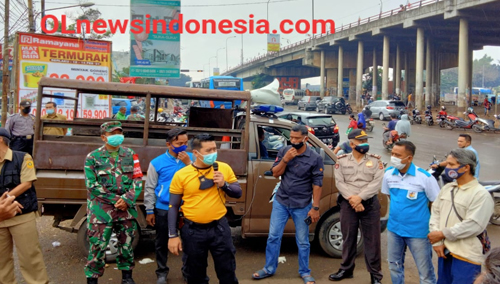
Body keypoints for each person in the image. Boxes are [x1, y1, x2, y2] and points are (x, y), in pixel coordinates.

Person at [252, 125, 324, 284]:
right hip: (281, 202)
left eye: (297, 138)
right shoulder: (284, 151)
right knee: (273, 236)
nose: (293, 141)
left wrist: (315, 208)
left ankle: (305, 272)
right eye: (291, 138)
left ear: (305, 138)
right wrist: (285, 160)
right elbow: (276, 173)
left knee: (303, 240)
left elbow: (317, 184)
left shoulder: (314, 158)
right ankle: (268, 268)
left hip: (303, 206)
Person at [167, 133, 242, 284]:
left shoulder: (223, 168)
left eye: (215, 149)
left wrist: (224, 184)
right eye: (208, 150)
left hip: (219, 228)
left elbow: (238, 192)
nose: (213, 153)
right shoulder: (181, 175)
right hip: (193, 231)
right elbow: (173, 206)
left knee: (227, 271)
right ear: (195, 153)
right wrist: (173, 235)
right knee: (195, 275)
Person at [84, 121, 143, 284]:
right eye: (113, 134)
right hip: (101, 211)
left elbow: (138, 179)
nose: (117, 136)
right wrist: (118, 200)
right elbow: (91, 185)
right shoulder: (93, 157)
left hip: (126, 210)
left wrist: (127, 199)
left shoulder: (131, 154)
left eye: (119, 133)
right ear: (104, 137)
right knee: (98, 246)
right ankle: (92, 279)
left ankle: (127, 278)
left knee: (127, 244)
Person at [428, 148, 494, 284]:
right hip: (445, 252)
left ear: (466, 167)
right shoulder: (447, 188)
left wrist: (442, 234)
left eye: (452, 165)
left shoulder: (480, 194)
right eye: (448, 164)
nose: (448, 168)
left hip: (466, 256)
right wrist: (438, 241)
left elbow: (473, 225)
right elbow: (436, 213)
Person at [329, 129, 384, 284]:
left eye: (366, 140)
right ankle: (346, 269)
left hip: (370, 204)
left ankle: (375, 275)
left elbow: (376, 183)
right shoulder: (342, 160)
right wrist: (353, 200)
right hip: (348, 203)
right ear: (351, 144)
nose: (364, 143)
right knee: (348, 237)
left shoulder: (375, 161)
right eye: (361, 141)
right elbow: (340, 183)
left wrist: (359, 198)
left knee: (372, 240)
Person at [382, 141, 439, 284]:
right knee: (394, 266)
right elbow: (390, 196)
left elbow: (436, 203)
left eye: (398, 155)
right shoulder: (388, 174)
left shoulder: (425, 177)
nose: (393, 157)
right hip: (394, 229)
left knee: (425, 273)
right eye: (392, 154)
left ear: (409, 158)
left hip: (418, 232)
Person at [0, 127, 49, 284]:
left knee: (30, 258)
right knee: (1, 261)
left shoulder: (22, 157)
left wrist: (6, 199)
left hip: (21, 215)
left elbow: (27, 183)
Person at [144, 128, 193, 284]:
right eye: (179, 143)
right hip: (163, 208)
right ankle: (162, 272)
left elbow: (201, 179)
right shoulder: (157, 163)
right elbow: (150, 187)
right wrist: (150, 210)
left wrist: (189, 164)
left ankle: (188, 271)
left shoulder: (192, 159)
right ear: (169, 144)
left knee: (189, 242)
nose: (183, 146)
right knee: (161, 242)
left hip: (188, 208)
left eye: (186, 143)